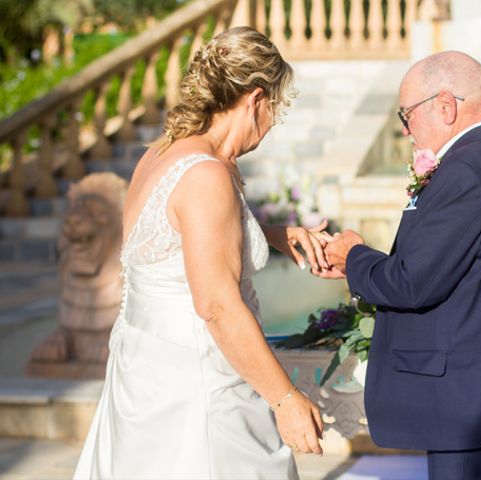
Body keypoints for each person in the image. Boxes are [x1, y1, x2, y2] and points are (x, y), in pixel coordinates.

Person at [74, 26, 329, 480]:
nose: (272, 123)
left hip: (144, 376)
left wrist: (267, 233)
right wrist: (285, 399)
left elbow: (175, 238)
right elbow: (216, 305)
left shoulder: (160, 154)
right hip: (201, 390)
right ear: (255, 100)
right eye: (276, 109)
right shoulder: (209, 175)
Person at [320, 51, 481, 479]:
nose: (404, 129)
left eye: (407, 114)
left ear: (446, 106)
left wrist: (353, 256)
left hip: (475, 409)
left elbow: (413, 282)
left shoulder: (466, 171)